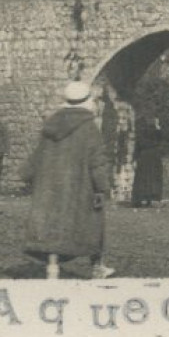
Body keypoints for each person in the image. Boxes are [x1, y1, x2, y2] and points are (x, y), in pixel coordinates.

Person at [24, 79, 113, 280]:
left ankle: (52, 267)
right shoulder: (89, 128)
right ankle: (97, 266)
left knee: (53, 225)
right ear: (86, 102)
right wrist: (103, 187)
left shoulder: (51, 125)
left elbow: (38, 155)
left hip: (51, 186)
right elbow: (97, 161)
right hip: (80, 186)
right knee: (94, 222)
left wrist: (28, 175)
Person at [131, 116, 165, 208]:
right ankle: (152, 199)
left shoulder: (141, 132)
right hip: (154, 156)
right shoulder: (156, 132)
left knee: (143, 178)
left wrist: (134, 158)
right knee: (153, 177)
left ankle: (141, 199)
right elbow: (162, 141)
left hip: (144, 156)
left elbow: (137, 146)